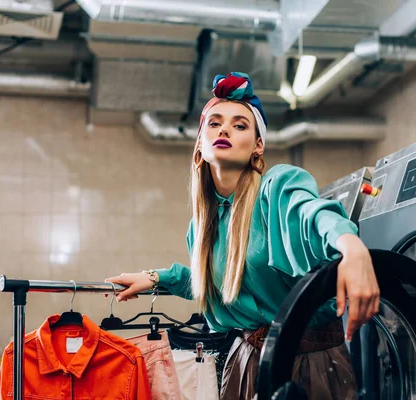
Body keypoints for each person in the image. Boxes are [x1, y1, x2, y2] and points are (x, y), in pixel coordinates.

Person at [106, 72, 380, 399]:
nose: (225, 130)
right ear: (200, 144)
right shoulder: (202, 226)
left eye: (240, 125)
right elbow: (211, 279)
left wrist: (353, 248)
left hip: (311, 364)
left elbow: (313, 214)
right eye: (214, 123)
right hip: (247, 362)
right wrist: (155, 277)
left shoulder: (276, 189)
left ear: (257, 145)